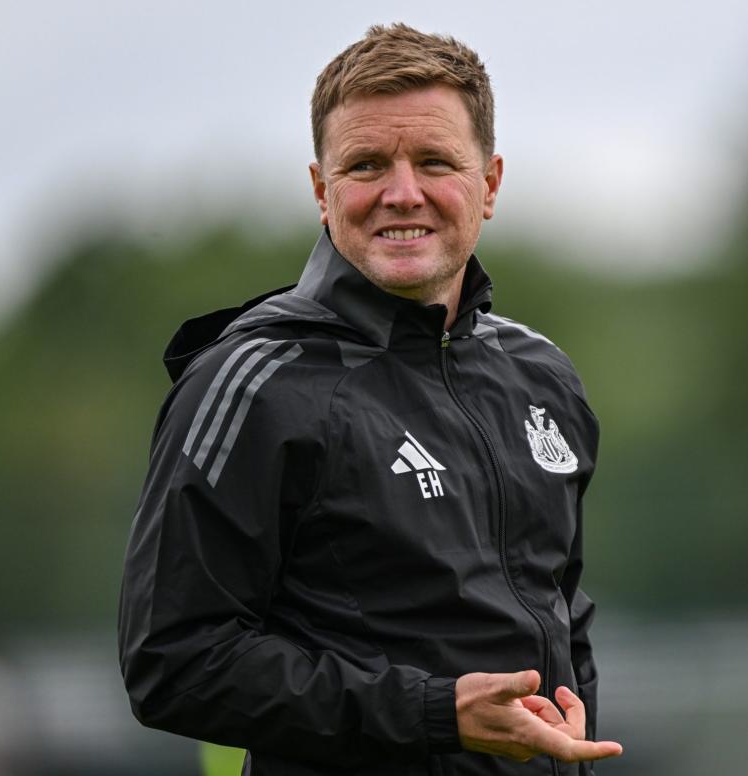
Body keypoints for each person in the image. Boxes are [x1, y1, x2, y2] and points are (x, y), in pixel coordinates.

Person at [118, 23, 622, 776]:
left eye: (434, 161)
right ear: (323, 191)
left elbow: (557, 608)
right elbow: (174, 662)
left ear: (489, 183)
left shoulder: (542, 375)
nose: (401, 193)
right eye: (366, 165)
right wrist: (434, 714)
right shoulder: (254, 381)